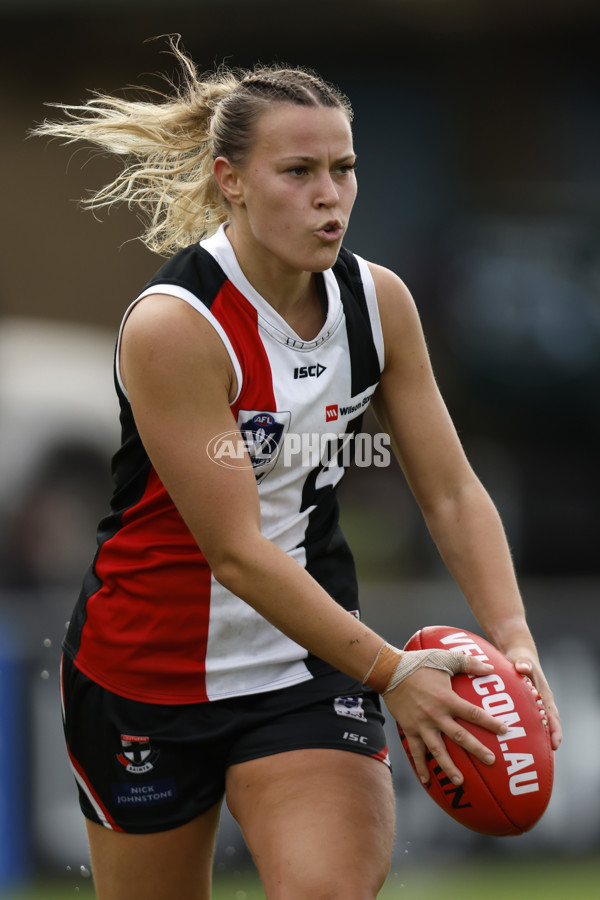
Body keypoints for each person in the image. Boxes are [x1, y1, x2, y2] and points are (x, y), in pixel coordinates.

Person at [33, 38, 561, 900]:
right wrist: (395, 673)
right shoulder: (178, 325)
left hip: (305, 666)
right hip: (143, 674)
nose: (330, 195)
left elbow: (451, 487)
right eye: (299, 171)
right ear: (230, 180)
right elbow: (235, 551)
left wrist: (513, 634)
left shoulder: (377, 301)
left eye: (344, 169)